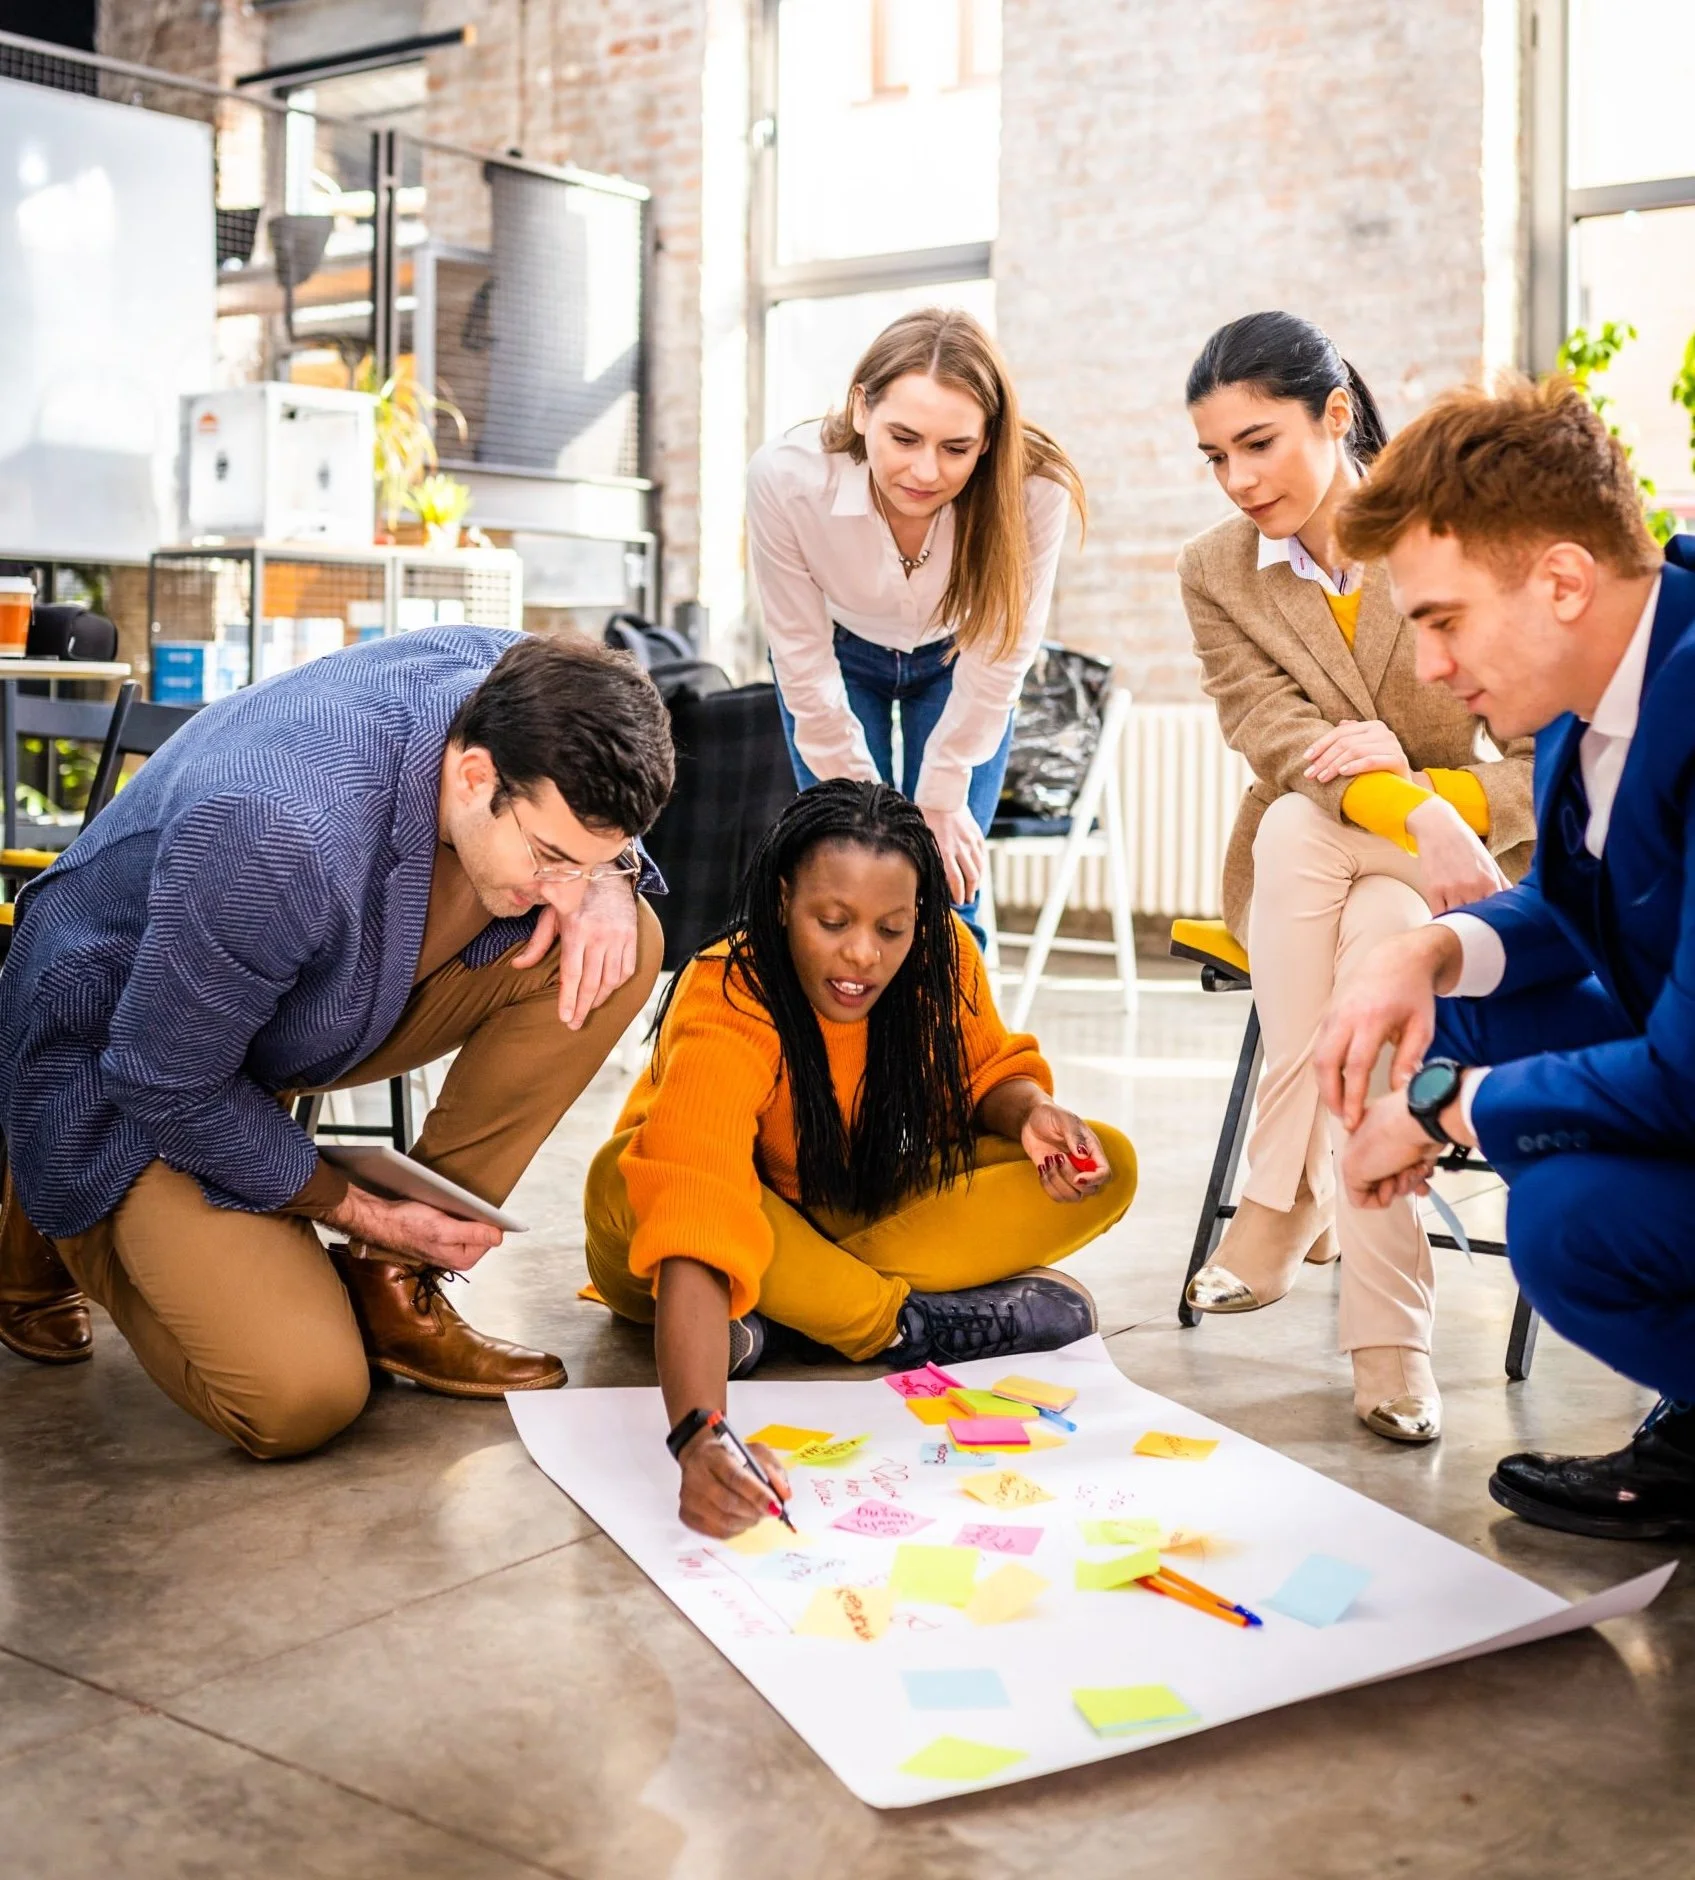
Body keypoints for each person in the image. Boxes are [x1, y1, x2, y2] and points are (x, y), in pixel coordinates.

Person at [0, 630, 674, 1459]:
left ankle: (390, 1282)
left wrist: (611, 878)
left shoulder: (514, 692)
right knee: (302, 1397)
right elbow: (166, 1081)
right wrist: (358, 1206)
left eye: (583, 860)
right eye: (550, 856)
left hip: (279, 985)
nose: (561, 888)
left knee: (621, 942)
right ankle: (43, 1185)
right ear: (474, 774)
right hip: (119, 1057)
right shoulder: (278, 829)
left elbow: (587, 703)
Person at [1314, 373, 1695, 1538]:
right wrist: (1427, 949)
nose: (1428, 666)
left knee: (1566, 1224)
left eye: (1442, 619)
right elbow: (1583, 905)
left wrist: (1443, 1114)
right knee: (1448, 1021)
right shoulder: (1592, 693)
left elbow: (1686, 1068)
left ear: (1564, 579)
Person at [582, 779, 1134, 1538]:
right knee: (623, 1173)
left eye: (891, 929)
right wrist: (698, 1437)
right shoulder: (728, 992)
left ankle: (785, 1322)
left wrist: (1029, 1113)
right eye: (831, 921)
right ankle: (897, 1328)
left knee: (1112, 1168)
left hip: (834, 1223)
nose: (861, 956)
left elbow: (984, 1074)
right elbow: (696, 1209)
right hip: (681, 1238)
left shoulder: (942, 960)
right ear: (781, 901)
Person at [1177, 312, 1535, 1443]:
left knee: (1357, 899)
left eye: (1259, 442)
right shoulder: (1216, 570)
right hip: (1320, 871)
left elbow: (1545, 760)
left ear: (1335, 415)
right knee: (1307, 837)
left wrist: (1447, 810)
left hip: (1464, 878)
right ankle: (1390, 1342)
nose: (1237, 481)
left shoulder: (1453, 533)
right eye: (1215, 456)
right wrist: (1410, 802)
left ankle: (1279, 1198)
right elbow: (1277, 736)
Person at [746, 307, 1086, 945]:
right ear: (860, 410)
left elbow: (1003, 647)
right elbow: (798, 649)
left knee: (949, 889)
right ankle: (845, 1045)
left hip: (961, 663)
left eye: (956, 448)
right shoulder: (786, 478)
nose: (926, 472)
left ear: (988, 439)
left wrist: (943, 792)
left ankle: (951, 1045)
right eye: (903, 439)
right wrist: (877, 815)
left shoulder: (1034, 488)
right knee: (853, 876)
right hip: (838, 660)